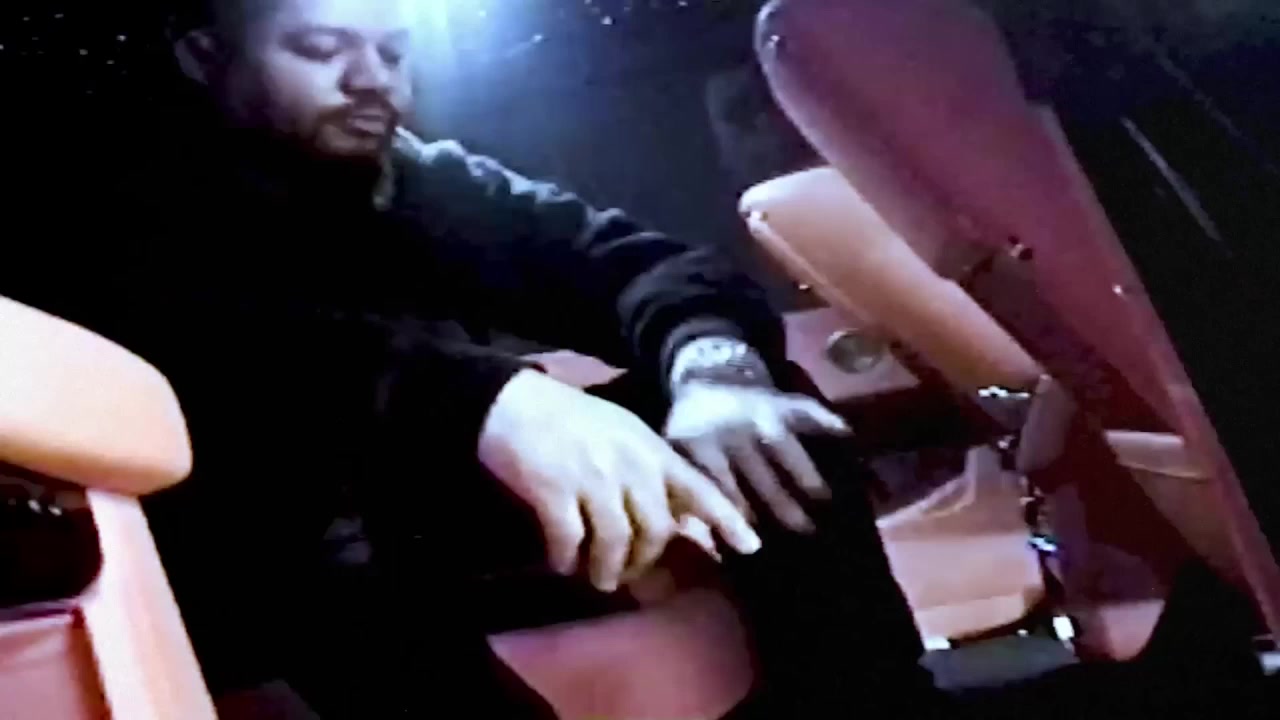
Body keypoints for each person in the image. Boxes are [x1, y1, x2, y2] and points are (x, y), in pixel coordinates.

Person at [39, 0, 1265, 718]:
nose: (374, 80)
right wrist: (486, 400)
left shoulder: (408, 178)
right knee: (299, 519)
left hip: (410, 510)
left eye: (392, 48)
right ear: (202, 55)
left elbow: (637, 264)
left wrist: (711, 374)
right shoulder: (108, 182)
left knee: (769, 416)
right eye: (321, 48)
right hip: (220, 546)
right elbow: (183, 341)